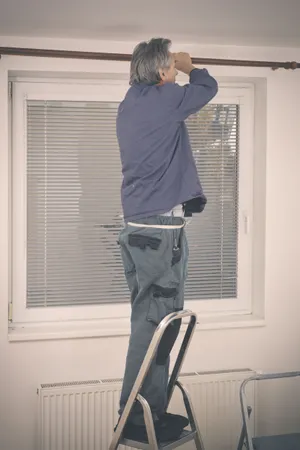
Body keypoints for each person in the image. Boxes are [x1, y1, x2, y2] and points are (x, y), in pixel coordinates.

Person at [116, 38, 218, 442]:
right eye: (171, 69)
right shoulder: (163, 98)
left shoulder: (131, 103)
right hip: (160, 232)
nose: (175, 74)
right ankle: (135, 413)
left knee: (153, 323)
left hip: (139, 229)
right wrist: (191, 66)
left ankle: (148, 411)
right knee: (156, 326)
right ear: (160, 73)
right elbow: (207, 88)